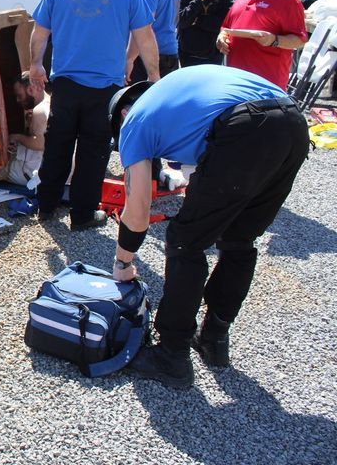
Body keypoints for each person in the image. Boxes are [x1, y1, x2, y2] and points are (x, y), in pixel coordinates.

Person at [107, 66, 309, 389]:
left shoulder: (134, 121)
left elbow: (138, 208)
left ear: (121, 114)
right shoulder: (174, 98)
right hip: (294, 123)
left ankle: (171, 355)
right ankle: (214, 338)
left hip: (246, 125)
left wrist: (123, 262)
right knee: (239, 237)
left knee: (185, 239)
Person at [28, 0, 159, 231]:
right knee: (93, 151)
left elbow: (40, 33)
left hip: (65, 85)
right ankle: (83, 214)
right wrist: (153, 76)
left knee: (58, 145)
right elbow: (146, 38)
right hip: (106, 89)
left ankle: (46, 206)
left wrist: (35, 65)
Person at [217, 0, 307, 90]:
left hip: (266, 87)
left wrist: (274, 40)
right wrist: (222, 38)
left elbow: (299, 40)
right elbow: (226, 27)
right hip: (235, 83)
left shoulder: (289, 2)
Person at [177, 0, 233, 67]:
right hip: (187, 53)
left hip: (212, 54)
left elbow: (223, 24)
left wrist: (197, 20)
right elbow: (182, 21)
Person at [6, 73, 50, 186]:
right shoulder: (52, 104)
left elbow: (40, 143)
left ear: (30, 89)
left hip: (36, 176)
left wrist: (17, 137)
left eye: (19, 95)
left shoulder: (39, 111)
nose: (17, 100)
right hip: (60, 172)